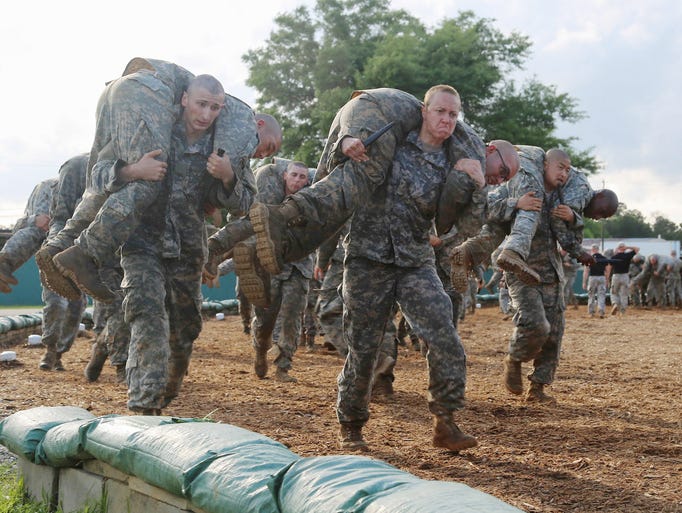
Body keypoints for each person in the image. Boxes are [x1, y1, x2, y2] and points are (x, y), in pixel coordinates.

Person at [203, 87, 494, 304]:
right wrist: (349, 138)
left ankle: (233, 248)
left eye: (452, 114)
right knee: (360, 178)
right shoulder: (470, 146)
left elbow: (457, 223)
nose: (499, 179)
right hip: (368, 115)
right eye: (501, 172)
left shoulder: (455, 146)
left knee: (331, 214)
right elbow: (457, 221)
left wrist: (478, 187)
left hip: (357, 115)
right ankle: (259, 231)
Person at [37, 57, 281, 303]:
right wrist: (228, 174)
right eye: (268, 146)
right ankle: (84, 255)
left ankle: (59, 246)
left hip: (120, 88)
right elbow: (243, 203)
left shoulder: (187, 113)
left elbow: (99, 178)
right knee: (150, 174)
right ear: (259, 125)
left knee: (116, 179)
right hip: (143, 92)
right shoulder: (243, 124)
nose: (262, 154)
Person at [336, 84, 487, 452]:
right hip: (367, 258)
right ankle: (352, 426)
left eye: (454, 115)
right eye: (441, 111)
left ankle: (445, 422)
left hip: (414, 260)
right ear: (424, 111)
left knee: (444, 336)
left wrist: (478, 185)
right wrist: (346, 143)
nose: (447, 120)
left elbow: (466, 228)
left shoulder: (455, 163)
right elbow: (339, 170)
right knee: (364, 346)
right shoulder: (392, 141)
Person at [114, 74, 249, 414]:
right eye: (202, 103)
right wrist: (133, 170)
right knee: (147, 315)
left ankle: (166, 389)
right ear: (185, 99)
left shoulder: (223, 146)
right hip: (141, 241)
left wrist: (228, 175)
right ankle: (144, 405)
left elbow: (245, 203)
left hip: (188, 250)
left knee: (186, 327)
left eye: (215, 107)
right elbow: (101, 171)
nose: (206, 114)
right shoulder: (154, 130)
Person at [235, 159, 314, 383]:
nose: (298, 180)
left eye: (302, 177)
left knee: (291, 316)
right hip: (271, 265)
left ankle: (283, 366)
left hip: (299, 266)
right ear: (285, 177)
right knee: (265, 320)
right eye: (294, 175)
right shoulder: (268, 197)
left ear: (307, 181)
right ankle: (260, 350)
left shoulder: (311, 201)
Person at [608, 242, 639, 315]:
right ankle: (623, 311)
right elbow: (637, 249)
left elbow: (609, 267)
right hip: (625, 276)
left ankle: (615, 304)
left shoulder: (614, 257)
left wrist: (608, 278)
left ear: (618, 248)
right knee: (624, 294)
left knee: (614, 292)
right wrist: (627, 247)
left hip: (616, 276)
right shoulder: (627, 255)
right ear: (624, 248)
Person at [582, 244, 611, 318]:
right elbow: (607, 270)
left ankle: (591, 312)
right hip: (601, 277)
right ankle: (601, 311)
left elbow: (586, 271)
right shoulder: (604, 258)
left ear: (592, 250)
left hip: (592, 278)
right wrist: (607, 280)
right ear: (598, 249)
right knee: (601, 295)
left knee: (591, 295)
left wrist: (584, 282)